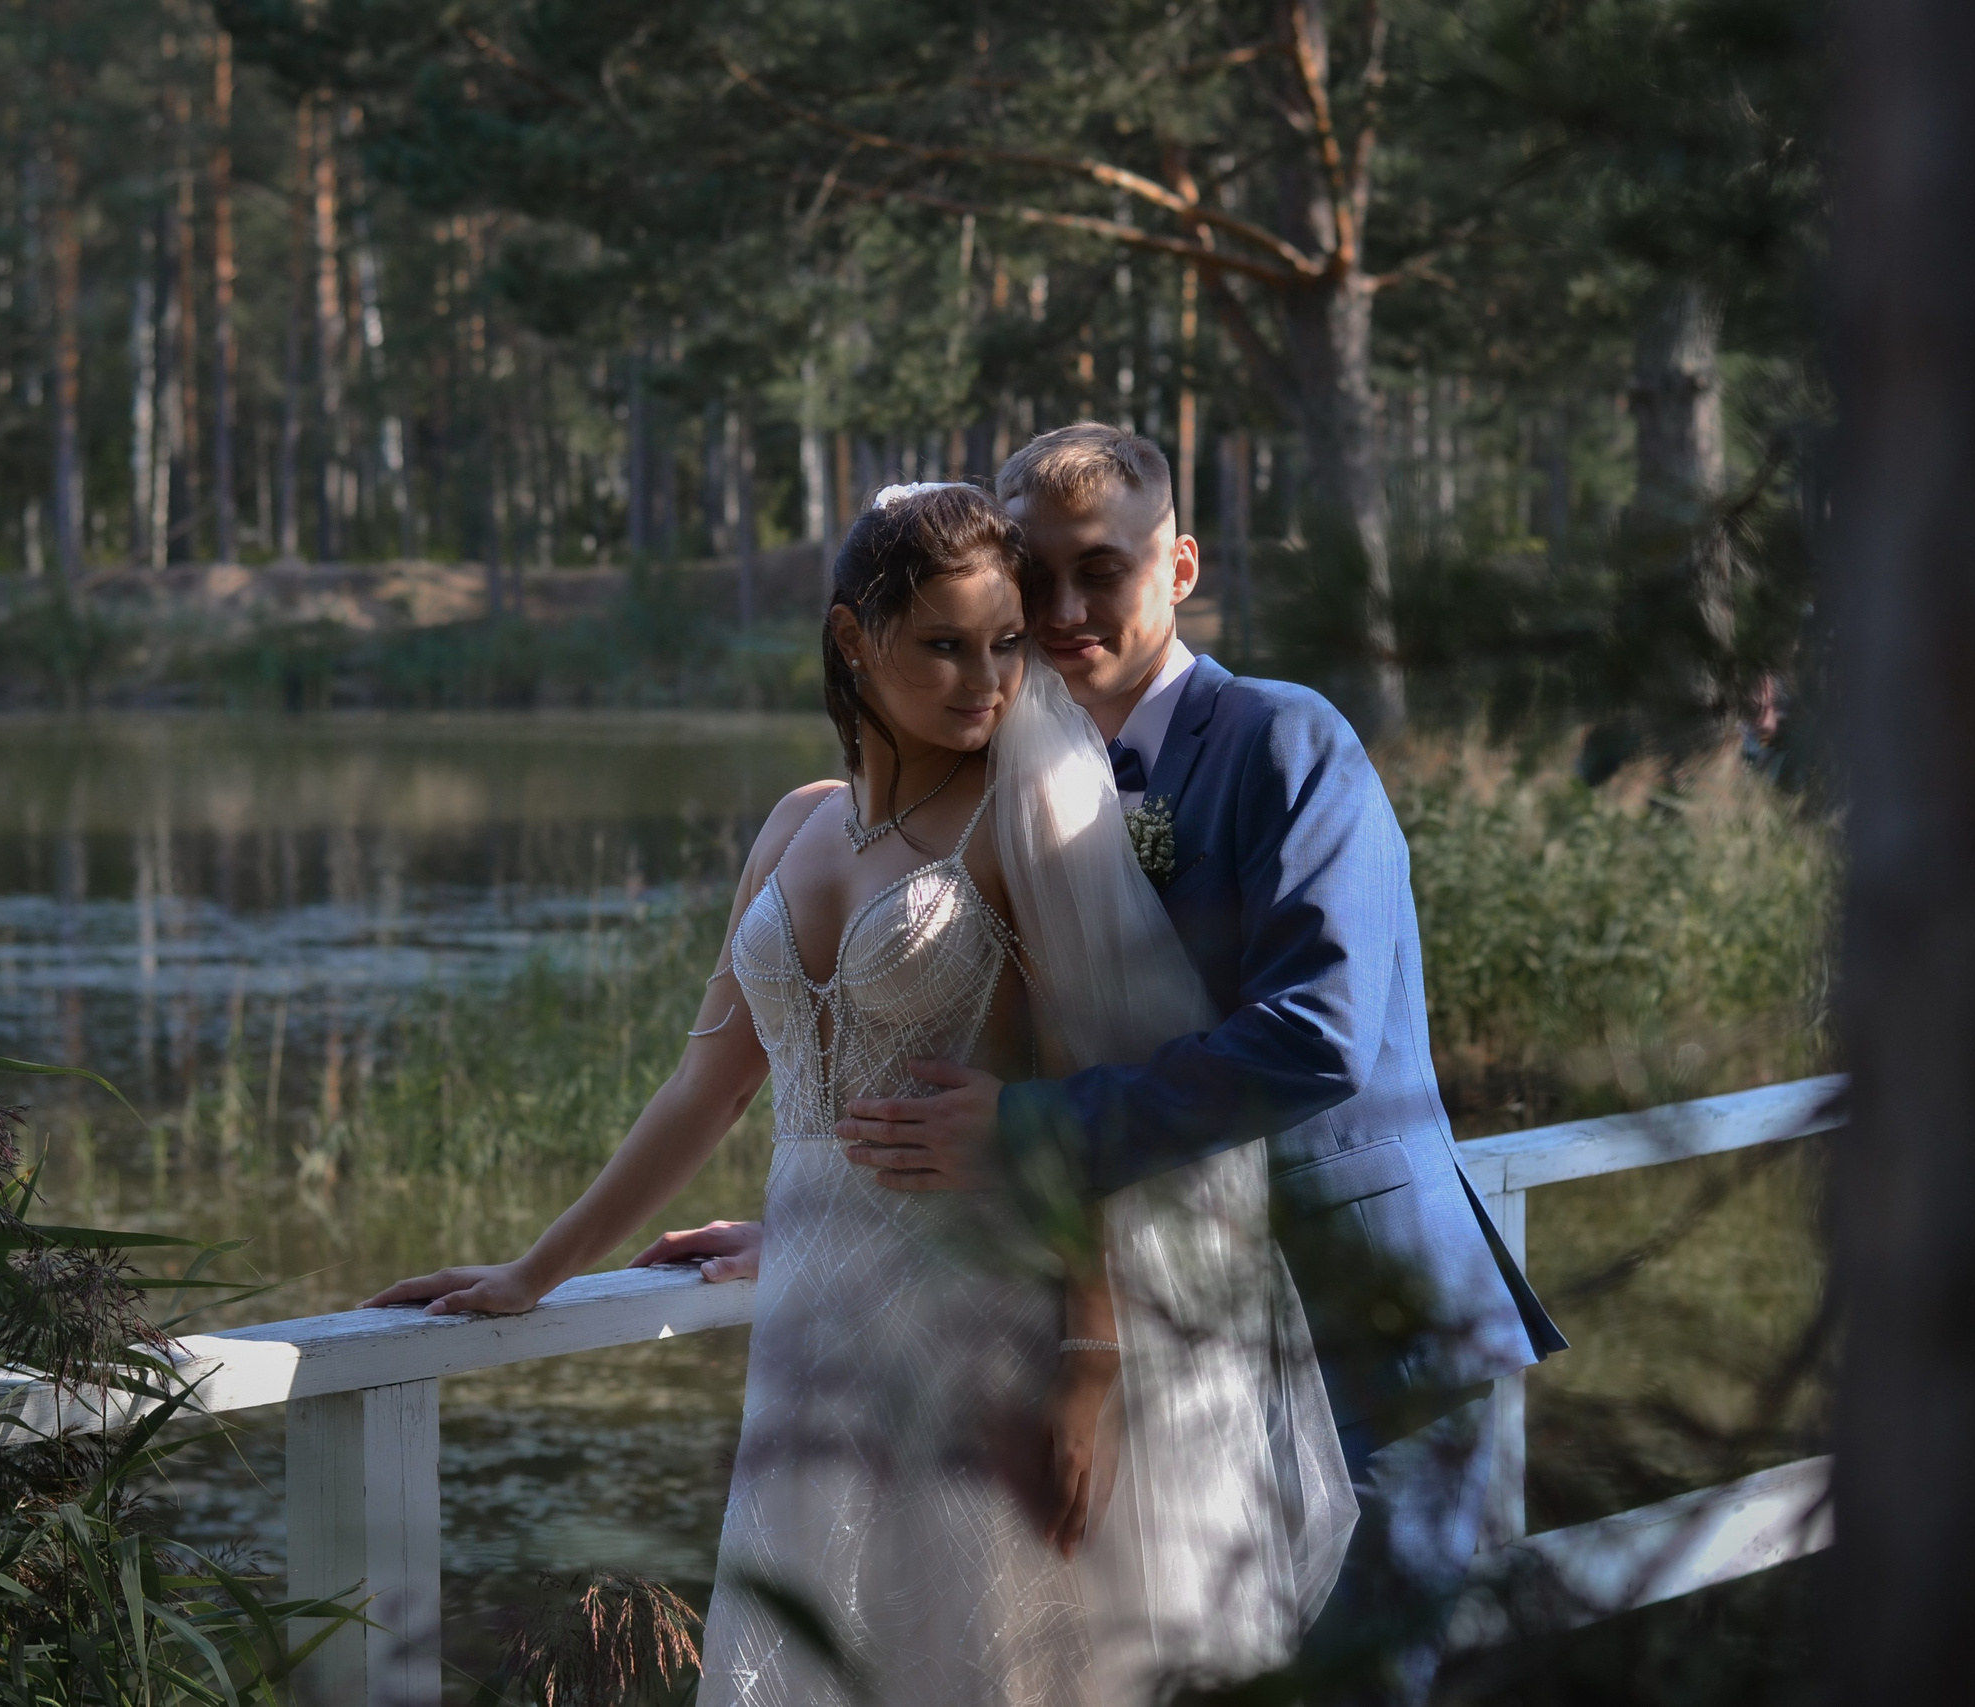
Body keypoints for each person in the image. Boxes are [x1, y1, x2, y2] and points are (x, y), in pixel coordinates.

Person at [365, 482, 1354, 1707]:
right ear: (852, 640)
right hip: (815, 1335)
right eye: (943, 644)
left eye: (1003, 644)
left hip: (982, 1327)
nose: (984, 681)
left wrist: (1089, 1363)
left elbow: (1092, 1096)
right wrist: (534, 1272)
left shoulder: (1026, 817)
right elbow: (706, 1087)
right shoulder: (796, 826)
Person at [662, 425, 1567, 1707]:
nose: (1066, 610)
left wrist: (1029, 1133)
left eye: (1105, 569)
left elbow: (1317, 1035)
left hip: (1358, 1320)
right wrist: (838, 1219)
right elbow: (964, 1039)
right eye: (1034, 580)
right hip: (1167, 1347)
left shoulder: (1283, 741)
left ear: (1181, 564)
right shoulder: (1005, 784)